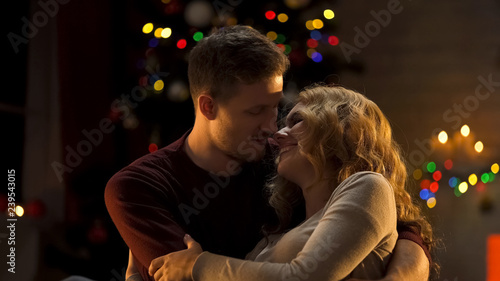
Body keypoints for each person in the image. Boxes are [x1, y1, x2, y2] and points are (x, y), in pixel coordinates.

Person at [105, 25, 431, 281]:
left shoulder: (292, 159)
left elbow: (396, 222)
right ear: (208, 106)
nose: (272, 126)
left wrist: (400, 277)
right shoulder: (139, 187)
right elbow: (179, 274)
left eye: (275, 108)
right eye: (256, 111)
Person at [145, 85, 437, 281]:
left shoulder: (368, 186)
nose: (277, 135)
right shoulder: (280, 230)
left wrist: (198, 266)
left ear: (339, 129)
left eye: (296, 121)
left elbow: (304, 277)